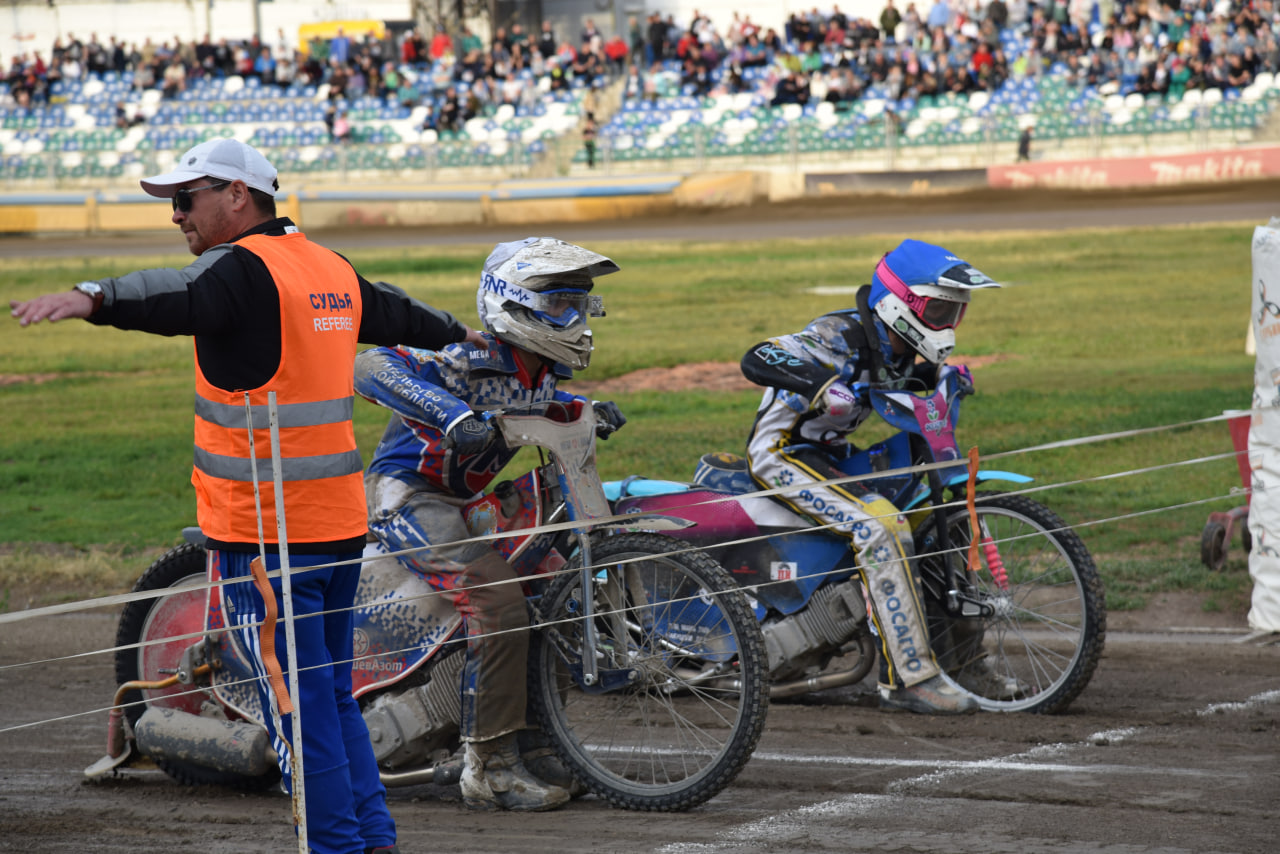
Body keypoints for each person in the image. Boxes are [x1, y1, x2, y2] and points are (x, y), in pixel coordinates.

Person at [10, 137, 483, 854]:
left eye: (185, 198)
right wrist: (460, 334)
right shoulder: (326, 267)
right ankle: (371, 841)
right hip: (335, 528)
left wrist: (94, 298)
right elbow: (399, 314)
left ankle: (334, 846)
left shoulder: (240, 273)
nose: (175, 215)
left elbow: (176, 296)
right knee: (327, 699)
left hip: (266, 541)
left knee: (297, 711)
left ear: (237, 194)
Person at [353, 237, 627, 810]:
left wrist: (586, 412)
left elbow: (540, 407)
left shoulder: (542, 367)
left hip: (467, 500)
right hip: (408, 496)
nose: (572, 319)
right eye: (557, 306)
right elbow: (370, 362)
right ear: (512, 302)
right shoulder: (464, 355)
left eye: (578, 304)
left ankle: (535, 740)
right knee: (498, 602)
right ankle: (491, 767)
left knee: (551, 585)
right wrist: (452, 416)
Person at [739, 239, 1004, 715]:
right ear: (899, 303)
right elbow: (760, 356)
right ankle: (908, 678)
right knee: (880, 526)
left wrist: (947, 381)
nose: (945, 323)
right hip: (780, 455)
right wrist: (820, 384)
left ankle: (964, 661)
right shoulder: (837, 334)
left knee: (945, 506)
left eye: (952, 312)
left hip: (833, 456)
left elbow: (911, 385)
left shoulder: (901, 347)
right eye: (937, 309)